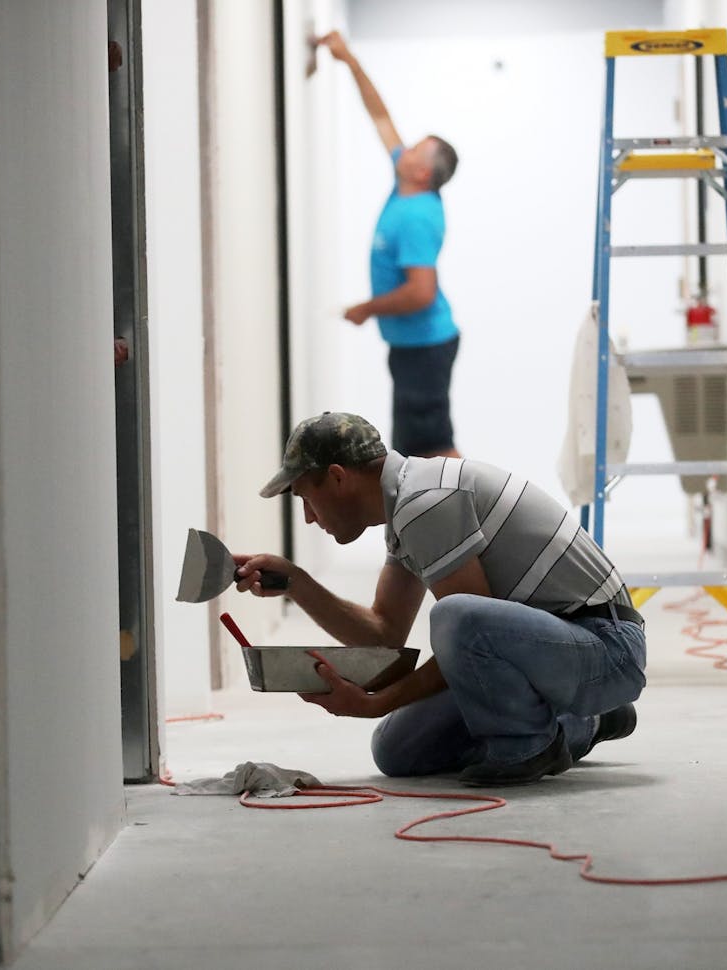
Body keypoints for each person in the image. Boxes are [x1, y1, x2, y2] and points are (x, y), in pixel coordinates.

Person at [234, 412, 645, 787]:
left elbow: (466, 633)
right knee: (397, 749)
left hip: (606, 647)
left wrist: (375, 704)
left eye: (307, 497)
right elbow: (384, 633)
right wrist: (298, 584)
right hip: (553, 650)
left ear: (339, 477)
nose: (308, 516)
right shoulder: (405, 509)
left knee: (455, 616)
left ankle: (531, 743)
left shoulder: (426, 502)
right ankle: (584, 723)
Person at [316, 30, 462, 460]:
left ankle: (484, 521)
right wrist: (350, 61)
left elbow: (421, 292)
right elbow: (380, 117)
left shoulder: (417, 217)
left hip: (424, 347)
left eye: (414, 149)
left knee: (434, 451)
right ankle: (455, 521)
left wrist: (367, 308)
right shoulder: (409, 187)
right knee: (418, 450)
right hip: (416, 347)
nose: (404, 148)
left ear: (422, 173)